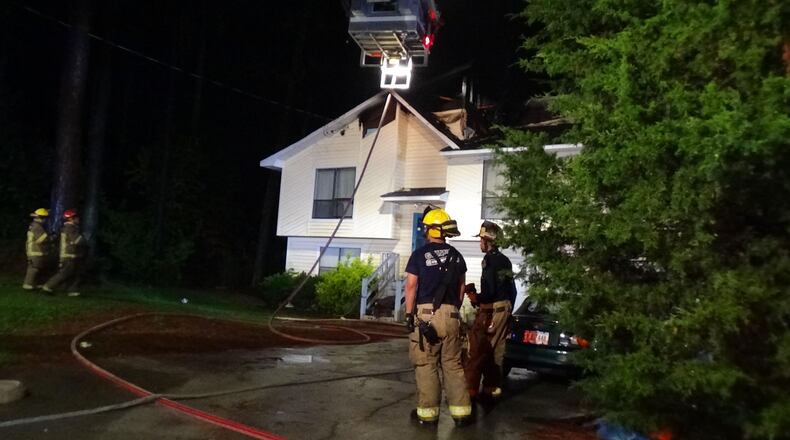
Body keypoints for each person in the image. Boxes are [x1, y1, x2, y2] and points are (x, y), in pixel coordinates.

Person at [404, 208, 473, 427]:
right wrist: (452, 311)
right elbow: (461, 288)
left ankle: (428, 415)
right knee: (452, 364)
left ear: (432, 229)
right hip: (452, 314)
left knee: (426, 365)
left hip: (426, 315)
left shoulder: (418, 255)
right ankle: (461, 414)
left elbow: (411, 286)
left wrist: (408, 314)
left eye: (426, 227)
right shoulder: (456, 256)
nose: (424, 230)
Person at [465, 220, 516, 400]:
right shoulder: (505, 260)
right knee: (496, 351)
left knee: (478, 349)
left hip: (492, 310)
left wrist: (475, 297)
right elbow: (512, 290)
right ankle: (491, 388)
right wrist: (508, 313)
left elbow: (490, 292)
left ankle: (469, 392)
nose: (480, 243)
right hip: (504, 309)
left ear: (488, 240)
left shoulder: (489, 260)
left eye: (481, 239)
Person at [43, 209, 86, 296]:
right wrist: (84, 238)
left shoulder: (68, 228)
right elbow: (77, 240)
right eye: (76, 218)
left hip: (71, 255)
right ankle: (48, 286)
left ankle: (71, 290)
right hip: (68, 255)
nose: (78, 219)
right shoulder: (70, 228)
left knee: (73, 274)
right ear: (71, 219)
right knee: (64, 273)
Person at [23, 208, 51, 290]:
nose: (46, 220)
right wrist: (50, 238)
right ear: (41, 218)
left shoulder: (34, 225)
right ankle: (28, 285)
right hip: (35, 250)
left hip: (35, 250)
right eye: (45, 218)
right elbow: (41, 240)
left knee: (38, 267)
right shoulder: (37, 226)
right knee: (34, 268)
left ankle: (36, 284)